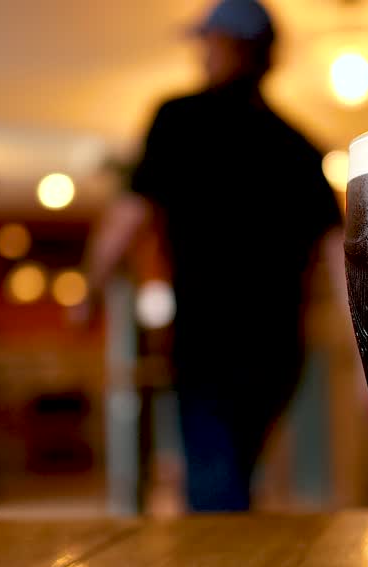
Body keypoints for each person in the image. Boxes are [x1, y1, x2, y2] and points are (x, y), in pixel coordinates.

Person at [82, 0, 343, 512]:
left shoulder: (178, 119)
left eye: (207, 41)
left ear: (230, 46)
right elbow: (341, 254)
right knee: (233, 472)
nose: (200, 53)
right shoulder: (299, 147)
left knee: (213, 485)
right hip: (277, 346)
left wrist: (89, 289)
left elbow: (129, 216)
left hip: (208, 338)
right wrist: (364, 356)